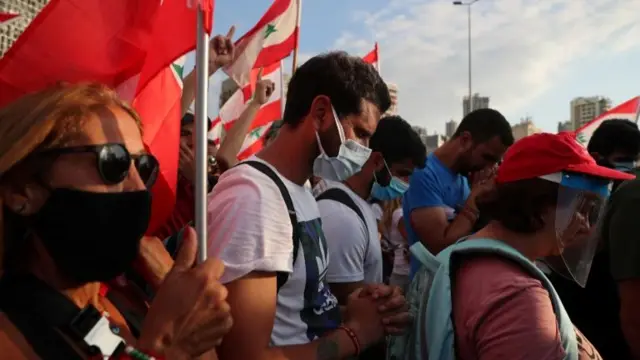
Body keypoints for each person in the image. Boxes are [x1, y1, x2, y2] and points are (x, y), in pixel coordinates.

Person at [0, 83, 232, 359]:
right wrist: (165, 350)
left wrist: (172, 288)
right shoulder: (11, 333)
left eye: (144, 166)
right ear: (21, 190)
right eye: (113, 163)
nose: (138, 187)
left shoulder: (119, 298)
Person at [206, 51, 410, 360]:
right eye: (361, 133)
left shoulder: (298, 189)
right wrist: (355, 335)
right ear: (320, 113)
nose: (366, 151)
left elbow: (298, 314)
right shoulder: (256, 201)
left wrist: (360, 310)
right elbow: (244, 355)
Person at [422, 132, 633, 359]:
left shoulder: (467, 256)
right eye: (580, 208)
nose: (586, 225)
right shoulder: (517, 298)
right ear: (539, 204)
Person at [548, 119, 640, 359]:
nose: (631, 169)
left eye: (636, 160)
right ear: (597, 157)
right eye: (624, 160)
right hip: (584, 322)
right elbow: (559, 255)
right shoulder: (571, 196)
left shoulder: (623, 196)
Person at [317, 115, 426, 303]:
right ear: (376, 161)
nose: (406, 184)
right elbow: (346, 304)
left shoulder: (360, 205)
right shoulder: (342, 218)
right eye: (402, 174)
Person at [403, 108, 513, 278]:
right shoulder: (424, 173)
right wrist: (474, 200)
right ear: (465, 140)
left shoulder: (463, 177)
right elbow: (439, 246)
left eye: (495, 162)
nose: (489, 167)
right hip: (431, 293)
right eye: (487, 157)